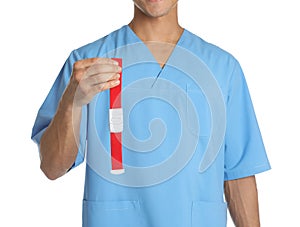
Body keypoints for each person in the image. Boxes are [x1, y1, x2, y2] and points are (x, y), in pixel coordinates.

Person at [31, 0, 271, 226]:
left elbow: (239, 174)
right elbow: (52, 168)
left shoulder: (222, 68)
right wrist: (72, 101)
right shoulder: (87, 66)